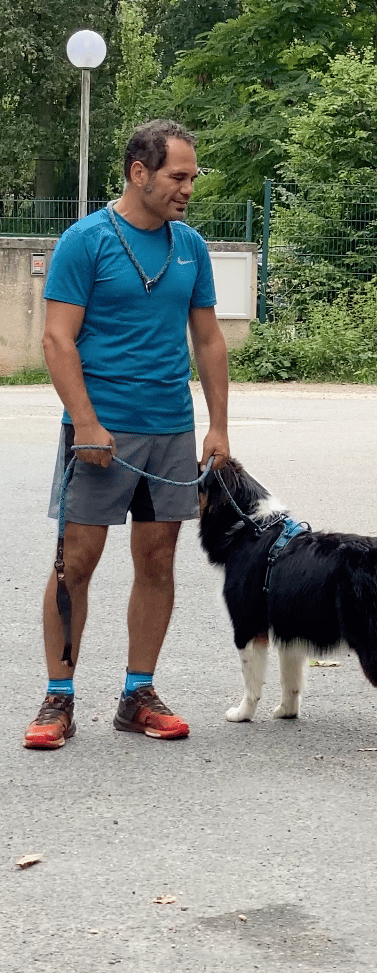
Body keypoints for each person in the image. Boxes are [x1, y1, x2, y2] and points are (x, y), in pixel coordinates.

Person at [24, 119, 230, 750]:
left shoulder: (189, 246)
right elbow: (58, 339)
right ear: (139, 173)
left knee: (158, 559)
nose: (188, 188)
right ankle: (59, 697)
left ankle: (138, 693)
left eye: (192, 177)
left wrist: (219, 426)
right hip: (101, 428)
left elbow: (208, 339)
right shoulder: (86, 240)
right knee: (76, 563)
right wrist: (84, 421)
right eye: (178, 176)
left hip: (170, 425)